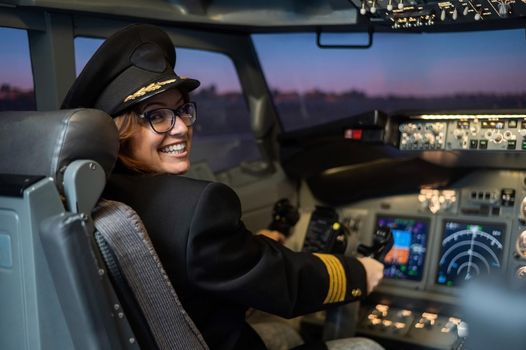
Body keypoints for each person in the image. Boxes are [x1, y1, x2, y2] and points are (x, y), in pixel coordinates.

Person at [61, 24, 385, 350]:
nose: (181, 128)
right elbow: (288, 281)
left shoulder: (87, 195)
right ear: (121, 131)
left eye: (182, 110)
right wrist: (359, 273)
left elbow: (203, 267)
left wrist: (248, 249)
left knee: (284, 335)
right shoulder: (195, 206)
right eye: (156, 116)